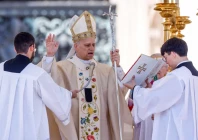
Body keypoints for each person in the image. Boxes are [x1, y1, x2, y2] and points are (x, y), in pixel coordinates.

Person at [39, 11, 133, 140]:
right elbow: (47, 83)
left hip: (102, 131)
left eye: (93, 45)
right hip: (75, 129)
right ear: (76, 46)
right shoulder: (63, 69)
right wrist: (50, 56)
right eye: (87, 45)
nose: (92, 48)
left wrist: (117, 66)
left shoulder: (105, 71)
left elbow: (118, 95)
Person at [0, 32, 78, 140]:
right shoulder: (36, 74)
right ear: (32, 47)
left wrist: (50, 55)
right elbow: (54, 96)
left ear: (15, 49)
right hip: (28, 134)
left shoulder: (1, 69)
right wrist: (69, 94)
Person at [124, 37, 198, 140]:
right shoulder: (194, 75)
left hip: (177, 132)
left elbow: (155, 97)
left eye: (165, 57)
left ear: (173, 53)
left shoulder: (177, 76)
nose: (166, 62)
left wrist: (135, 88)